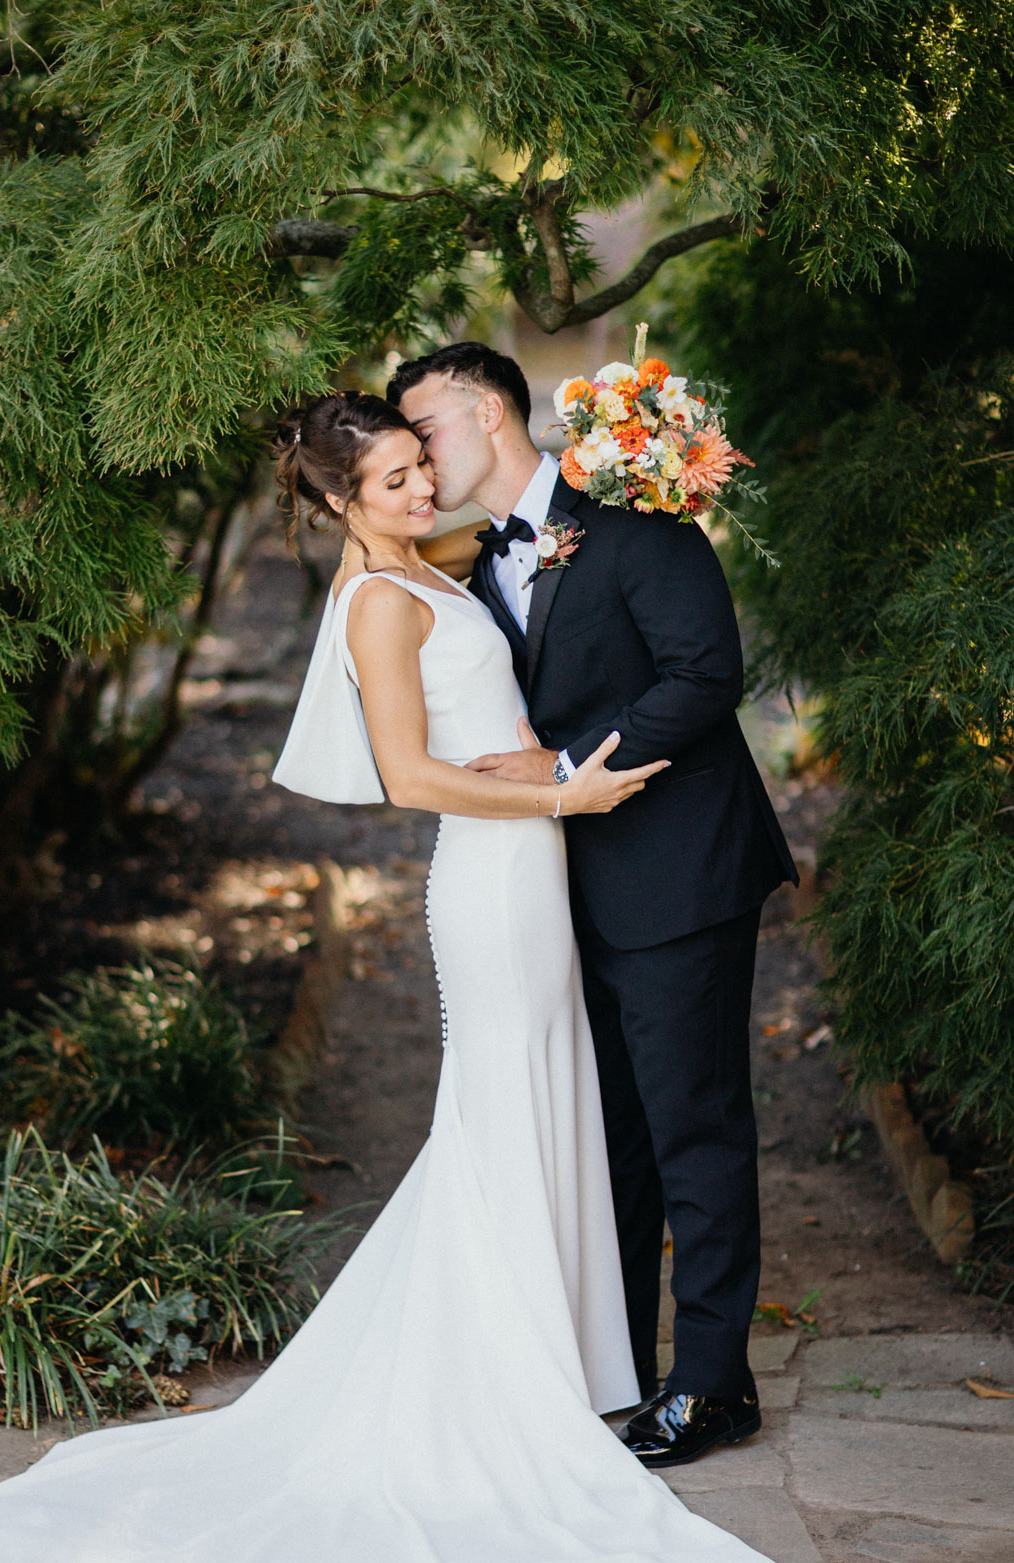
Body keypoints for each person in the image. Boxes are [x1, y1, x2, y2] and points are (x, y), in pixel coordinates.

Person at [0, 391, 803, 1563]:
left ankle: (578, 1368)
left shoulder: (430, 564)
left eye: (420, 462)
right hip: (499, 868)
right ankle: (512, 1384)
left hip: (538, 870)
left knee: (548, 1109)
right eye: (393, 475)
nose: (418, 486)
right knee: (501, 1118)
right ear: (341, 500)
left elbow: (519, 524)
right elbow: (407, 776)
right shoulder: (382, 603)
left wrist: (622, 467)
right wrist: (560, 789)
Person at [389, 344, 798, 1468]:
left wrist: (566, 766)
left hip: (678, 875)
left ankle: (713, 1386)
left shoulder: (631, 518)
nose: (417, 459)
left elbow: (706, 674)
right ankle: (613, 1367)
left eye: (423, 428)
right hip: (560, 895)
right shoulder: (467, 568)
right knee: (607, 1135)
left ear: (484, 409)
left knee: (693, 1130)